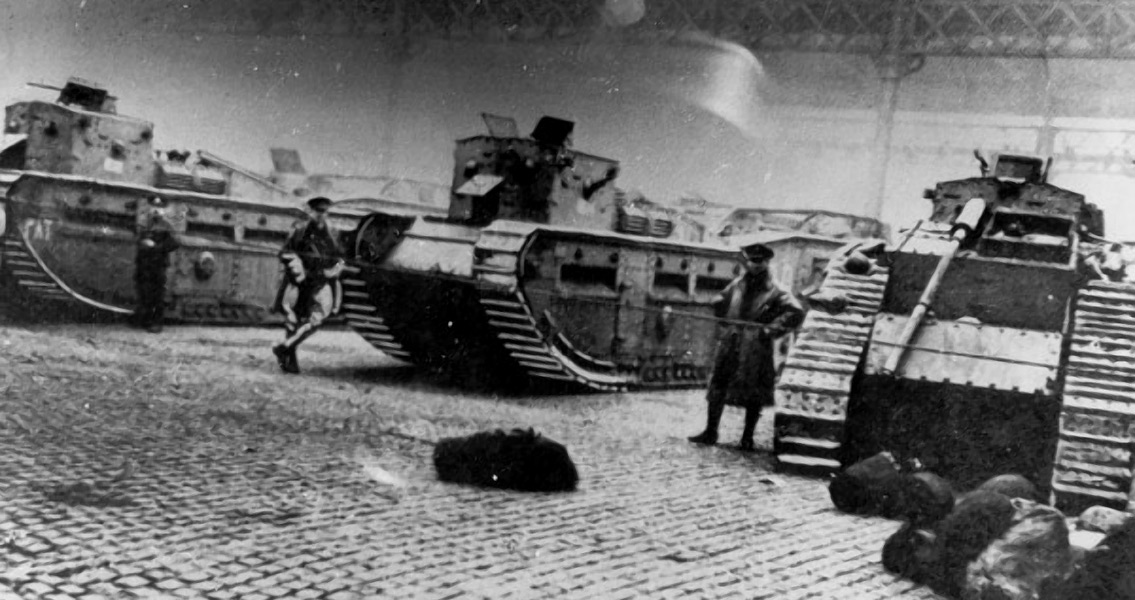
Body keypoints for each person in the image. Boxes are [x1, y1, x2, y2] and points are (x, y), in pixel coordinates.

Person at [689, 241, 805, 452]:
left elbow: (796, 312)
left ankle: (747, 437)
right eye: (751, 261)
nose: (754, 265)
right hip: (731, 341)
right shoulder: (738, 284)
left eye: (759, 262)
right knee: (718, 386)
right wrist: (717, 302)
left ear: (767, 262)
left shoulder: (777, 290)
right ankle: (710, 431)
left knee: (754, 393)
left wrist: (770, 330)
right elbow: (723, 299)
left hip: (755, 346)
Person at [272, 196, 343, 374]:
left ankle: (285, 347)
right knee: (292, 321)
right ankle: (289, 362)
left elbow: (341, 258)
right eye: (317, 212)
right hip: (299, 281)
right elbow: (284, 253)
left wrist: (335, 270)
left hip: (320, 281)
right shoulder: (300, 231)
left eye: (324, 212)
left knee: (317, 318)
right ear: (310, 212)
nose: (320, 215)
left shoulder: (332, 233)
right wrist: (297, 265)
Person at [133, 196, 180, 333]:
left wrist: (155, 247)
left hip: (158, 265)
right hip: (144, 263)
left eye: (159, 208)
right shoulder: (145, 223)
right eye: (154, 207)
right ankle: (144, 319)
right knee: (143, 292)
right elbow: (139, 238)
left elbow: (174, 244)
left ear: (164, 211)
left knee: (157, 295)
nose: (156, 210)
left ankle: (156, 322)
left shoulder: (166, 226)